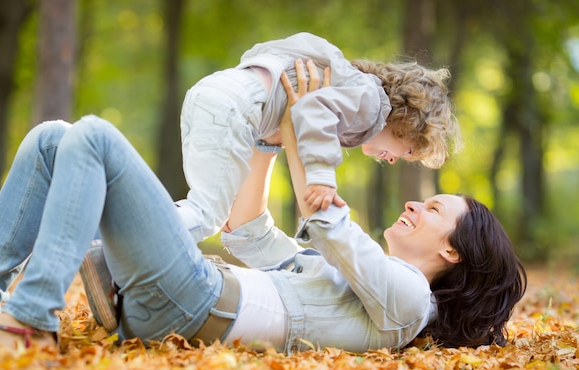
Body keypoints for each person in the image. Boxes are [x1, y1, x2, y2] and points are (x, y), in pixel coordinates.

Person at [0, 64, 522, 356]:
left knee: (95, 138)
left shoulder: (409, 303)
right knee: (55, 138)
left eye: (433, 207)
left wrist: (310, 119)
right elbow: (248, 231)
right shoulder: (353, 284)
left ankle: (29, 320)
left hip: (196, 301)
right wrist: (275, 133)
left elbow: (325, 219)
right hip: (186, 296)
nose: (413, 203)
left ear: (453, 248)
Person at [176, 31, 462, 243]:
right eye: (410, 151)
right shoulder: (371, 102)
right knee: (206, 215)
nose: (395, 159)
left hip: (212, 92)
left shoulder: (350, 87)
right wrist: (321, 178)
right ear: (406, 122)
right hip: (237, 106)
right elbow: (312, 108)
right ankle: (134, 232)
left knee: (208, 208)